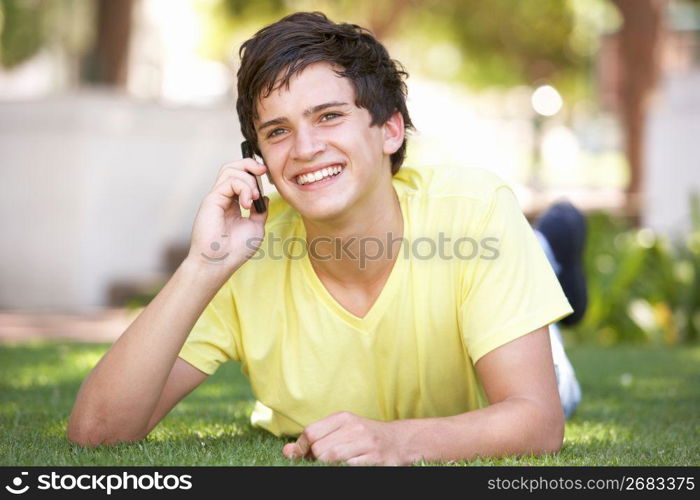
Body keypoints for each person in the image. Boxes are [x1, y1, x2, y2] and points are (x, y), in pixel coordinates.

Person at [67, 12, 586, 465]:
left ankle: (544, 252)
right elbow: (96, 435)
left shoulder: (474, 211)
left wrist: (396, 442)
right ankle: (540, 256)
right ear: (260, 160)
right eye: (277, 131)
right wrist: (204, 264)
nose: (306, 148)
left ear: (389, 130)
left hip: (484, 349)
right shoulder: (246, 254)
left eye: (329, 116)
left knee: (558, 385)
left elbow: (537, 423)